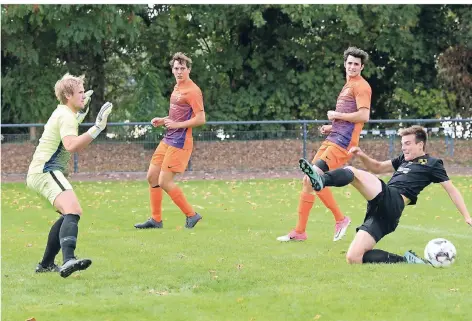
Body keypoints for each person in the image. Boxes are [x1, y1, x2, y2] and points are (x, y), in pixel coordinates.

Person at [298, 125, 471, 264]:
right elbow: (377, 168)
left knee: (351, 171)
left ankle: (321, 180)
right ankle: (409, 261)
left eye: (408, 144)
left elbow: (451, 189)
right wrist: (362, 155)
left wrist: (467, 216)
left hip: (393, 200)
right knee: (354, 257)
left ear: (420, 144)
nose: (404, 147)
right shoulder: (403, 159)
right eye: (402, 144)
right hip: (382, 213)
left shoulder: (433, 164)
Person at [277, 47, 372, 242]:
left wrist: (337, 116)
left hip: (343, 143)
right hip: (334, 138)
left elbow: (364, 115)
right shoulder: (347, 85)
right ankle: (300, 232)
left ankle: (341, 219)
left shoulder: (361, 86)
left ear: (362, 67)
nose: (352, 66)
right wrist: (332, 126)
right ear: (345, 64)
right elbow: (350, 119)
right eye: (350, 63)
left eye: (356, 64)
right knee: (309, 179)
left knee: (314, 176)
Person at [27, 73, 113, 277]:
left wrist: (80, 117)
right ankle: (68, 261)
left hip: (41, 172)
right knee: (73, 210)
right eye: (80, 93)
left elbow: (68, 133)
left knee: (69, 214)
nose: (84, 96)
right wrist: (98, 127)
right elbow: (71, 145)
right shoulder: (65, 115)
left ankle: (46, 264)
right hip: (45, 171)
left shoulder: (64, 113)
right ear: (67, 95)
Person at [135, 52, 206, 229]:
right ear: (172, 69)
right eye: (176, 68)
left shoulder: (193, 91)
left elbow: (200, 119)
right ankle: (156, 220)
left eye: (183, 68)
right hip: (168, 138)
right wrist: (163, 119)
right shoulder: (176, 88)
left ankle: (192, 215)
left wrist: (176, 124)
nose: (179, 71)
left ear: (188, 70)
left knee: (165, 181)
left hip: (180, 142)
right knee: (152, 177)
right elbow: (178, 115)